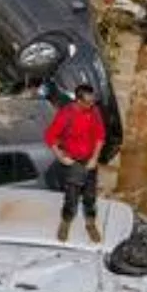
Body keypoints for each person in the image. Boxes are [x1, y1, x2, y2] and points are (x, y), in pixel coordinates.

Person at [43, 84, 106, 243]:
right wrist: (61, 157)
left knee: (90, 197)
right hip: (73, 162)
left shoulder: (94, 112)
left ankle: (90, 223)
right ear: (78, 100)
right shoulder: (66, 114)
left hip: (89, 161)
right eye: (88, 102)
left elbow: (100, 136)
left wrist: (95, 158)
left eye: (93, 101)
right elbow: (50, 136)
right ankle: (65, 222)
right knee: (71, 197)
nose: (91, 105)